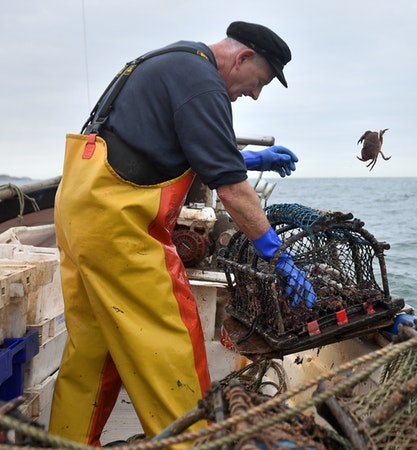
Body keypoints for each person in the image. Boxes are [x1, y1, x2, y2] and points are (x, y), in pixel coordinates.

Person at [48, 21, 316, 446]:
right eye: (260, 81)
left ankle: (66, 443)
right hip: (119, 225)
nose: (256, 94)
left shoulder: (174, 61)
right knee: (174, 337)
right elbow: (229, 189)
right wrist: (276, 255)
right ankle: (193, 443)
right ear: (243, 58)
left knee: (94, 350)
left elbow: (163, 142)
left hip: (80, 212)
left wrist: (249, 158)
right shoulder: (203, 84)